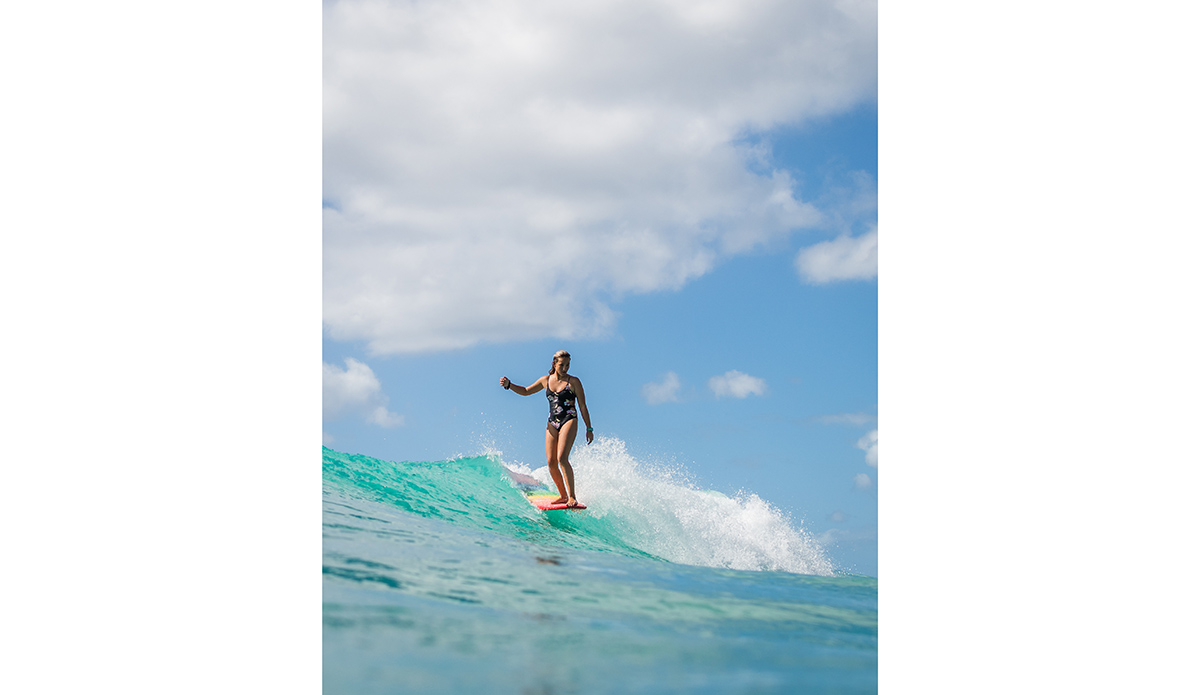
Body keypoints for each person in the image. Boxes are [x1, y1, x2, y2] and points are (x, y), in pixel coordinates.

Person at [500, 350, 593, 508]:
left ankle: (572, 497)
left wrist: (589, 428)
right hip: (552, 422)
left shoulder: (574, 382)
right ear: (554, 364)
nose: (565, 368)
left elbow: (583, 406)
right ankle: (563, 495)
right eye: (562, 365)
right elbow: (526, 391)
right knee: (551, 462)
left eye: (568, 365)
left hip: (569, 419)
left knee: (562, 458)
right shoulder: (545, 380)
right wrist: (510, 385)